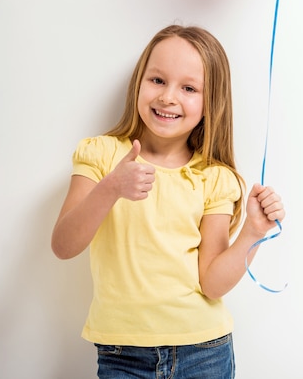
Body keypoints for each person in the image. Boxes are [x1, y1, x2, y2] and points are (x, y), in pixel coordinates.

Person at [51, 24, 285, 379]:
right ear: (138, 83)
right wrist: (111, 187)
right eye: (157, 80)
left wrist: (252, 233)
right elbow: (63, 245)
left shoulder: (214, 178)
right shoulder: (101, 155)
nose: (168, 97)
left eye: (189, 88)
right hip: (122, 354)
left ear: (211, 104)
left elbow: (213, 283)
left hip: (204, 352)